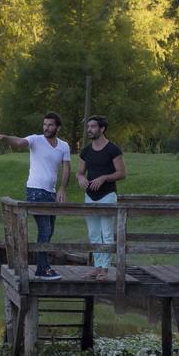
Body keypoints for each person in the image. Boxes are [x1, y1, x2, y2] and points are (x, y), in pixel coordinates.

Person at [0, 112, 70, 280]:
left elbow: (67, 168)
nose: (46, 128)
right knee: (45, 229)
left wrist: (62, 188)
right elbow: (19, 142)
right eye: (45, 124)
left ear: (58, 127)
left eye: (50, 125)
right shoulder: (36, 140)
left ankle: (43, 265)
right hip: (35, 192)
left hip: (51, 193)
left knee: (49, 230)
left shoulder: (64, 146)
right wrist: (4, 138)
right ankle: (43, 269)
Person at [76, 115, 126, 279]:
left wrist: (104, 177)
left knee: (106, 233)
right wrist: (81, 178)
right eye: (88, 126)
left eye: (93, 126)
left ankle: (105, 269)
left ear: (102, 128)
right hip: (90, 196)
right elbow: (80, 172)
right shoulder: (86, 151)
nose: (89, 129)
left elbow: (121, 173)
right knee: (94, 233)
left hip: (107, 195)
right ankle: (98, 267)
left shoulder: (113, 149)